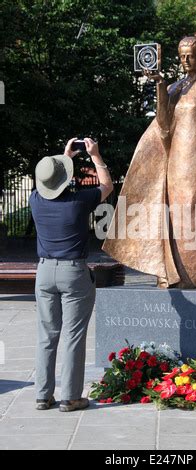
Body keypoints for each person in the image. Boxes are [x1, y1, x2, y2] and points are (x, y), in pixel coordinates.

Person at [103, 35, 196, 288]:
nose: (185, 60)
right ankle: (168, 270)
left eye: (190, 55)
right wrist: (160, 85)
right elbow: (163, 124)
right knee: (170, 214)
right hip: (173, 161)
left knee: (192, 216)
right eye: (181, 55)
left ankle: (194, 272)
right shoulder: (173, 88)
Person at [30, 137, 113, 411]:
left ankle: (43, 395)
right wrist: (95, 157)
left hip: (44, 273)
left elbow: (50, 182)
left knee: (47, 335)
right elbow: (107, 186)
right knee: (73, 335)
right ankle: (71, 397)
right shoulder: (79, 201)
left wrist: (64, 158)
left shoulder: (35, 200)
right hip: (73, 273)